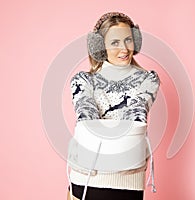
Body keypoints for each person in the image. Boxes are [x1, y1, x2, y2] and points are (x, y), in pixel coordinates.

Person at [67, 12, 160, 200]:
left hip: (127, 184)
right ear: (100, 46)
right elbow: (87, 122)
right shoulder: (83, 81)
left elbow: (134, 117)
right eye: (115, 42)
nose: (124, 49)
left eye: (128, 40)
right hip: (85, 183)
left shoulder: (147, 80)